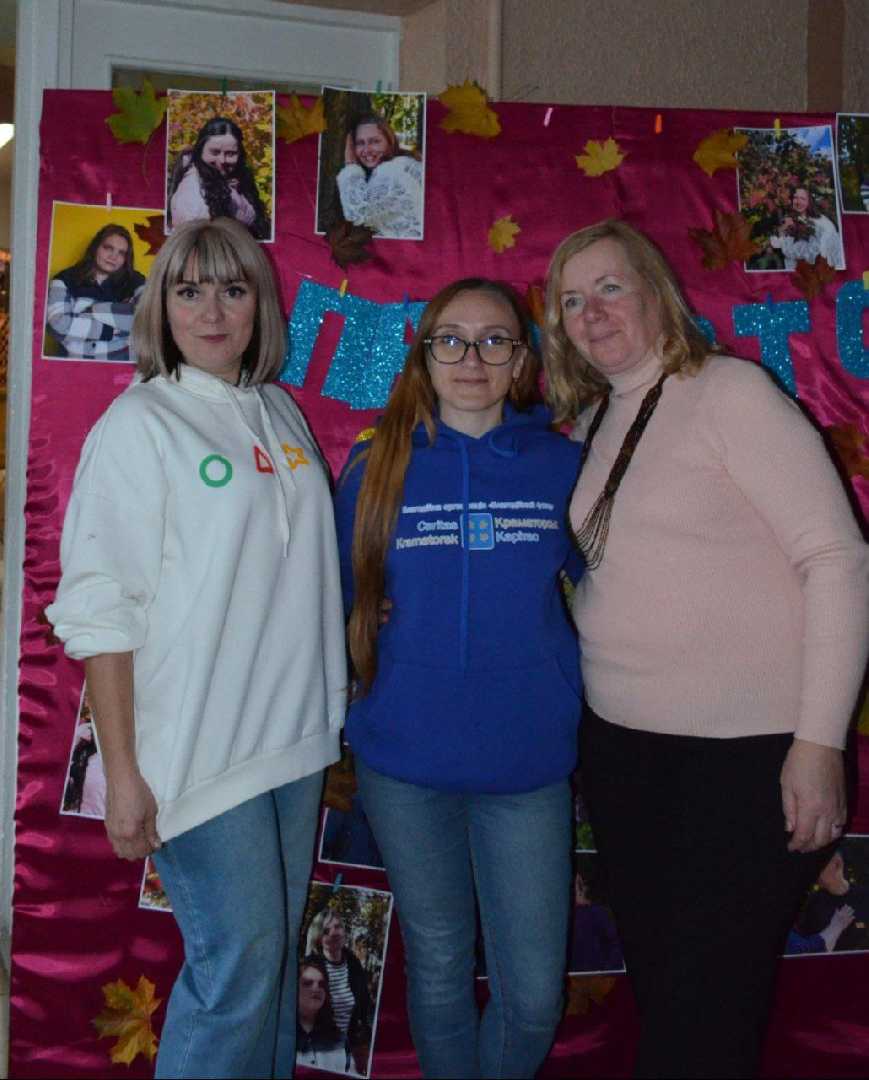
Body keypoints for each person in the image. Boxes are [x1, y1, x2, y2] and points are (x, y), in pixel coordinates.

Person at [543, 219, 869, 1079]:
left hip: (745, 760)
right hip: (623, 753)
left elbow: (837, 559)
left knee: (703, 1012)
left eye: (609, 287)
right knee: (665, 993)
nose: (590, 312)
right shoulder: (593, 422)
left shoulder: (729, 392)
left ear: (656, 292)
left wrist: (818, 742)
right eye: (570, 300)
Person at [46, 216, 347, 1079]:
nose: (211, 311)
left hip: (293, 742)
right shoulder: (140, 422)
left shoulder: (278, 411)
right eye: (188, 290)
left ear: (259, 306)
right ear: (161, 308)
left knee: (272, 969)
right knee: (238, 970)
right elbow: (103, 610)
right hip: (199, 750)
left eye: (232, 289)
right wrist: (123, 772)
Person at [334, 278, 583, 1078]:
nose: (471, 358)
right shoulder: (372, 467)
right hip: (404, 761)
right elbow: (332, 602)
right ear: (423, 355)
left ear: (522, 360)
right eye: (450, 339)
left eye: (494, 340)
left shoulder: (565, 466)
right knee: (439, 965)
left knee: (533, 995)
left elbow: (618, 593)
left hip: (527, 762)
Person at [45, 224, 145, 361]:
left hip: (121, 365)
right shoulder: (64, 279)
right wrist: (112, 329)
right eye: (108, 248)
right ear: (95, 247)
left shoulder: (136, 280)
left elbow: (148, 319)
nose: (114, 256)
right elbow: (57, 325)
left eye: (121, 253)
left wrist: (88, 311)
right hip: (72, 365)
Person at [168, 116, 270, 239]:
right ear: (200, 150)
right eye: (215, 152)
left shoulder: (236, 177)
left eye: (230, 154)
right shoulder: (195, 198)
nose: (222, 160)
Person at [336, 113, 423, 239]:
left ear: (389, 141)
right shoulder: (404, 163)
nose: (367, 150)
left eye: (374, 141)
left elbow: (358, 213)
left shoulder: (391, 170)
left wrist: (350, 165)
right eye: (360, 143)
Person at [306, 907, 373, 1055]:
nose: (334, 933)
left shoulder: (354, 965)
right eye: (326, 931)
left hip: (350, 1049)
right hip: (317, 1050)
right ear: (318, 938)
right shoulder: (309, 968)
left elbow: (365, 1005)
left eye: (337, 926)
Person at [296, 955, 357, 1075]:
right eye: (307, 983)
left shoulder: (340, 1040)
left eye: (321, 984)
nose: (316, 988)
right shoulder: (278, 1034)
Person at [768, 185, 844, 269]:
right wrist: (783, 228)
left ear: (809, 201)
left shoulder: (821, 222)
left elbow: (821, 252)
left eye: (802, 199)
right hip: (793, 268)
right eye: (795, 198)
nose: (798, 202)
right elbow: (776, 244)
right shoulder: (789, 218)